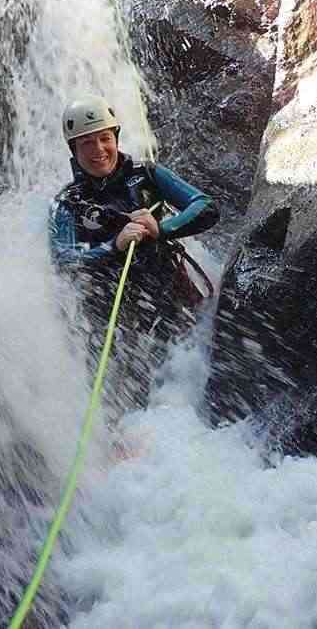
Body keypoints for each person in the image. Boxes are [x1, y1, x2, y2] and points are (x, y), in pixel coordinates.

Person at [49, 94, 219, 406]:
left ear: (115, 137)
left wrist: (162, 228)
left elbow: (206, 207)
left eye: (104, 139)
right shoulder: (67, 203)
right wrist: (113, 246)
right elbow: (63, 259)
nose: (99, 150)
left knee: (190, 367)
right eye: (86, 143)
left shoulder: (147, 174)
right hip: (111, 313)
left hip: (168, 293)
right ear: (73, 149)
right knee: (126, 385)